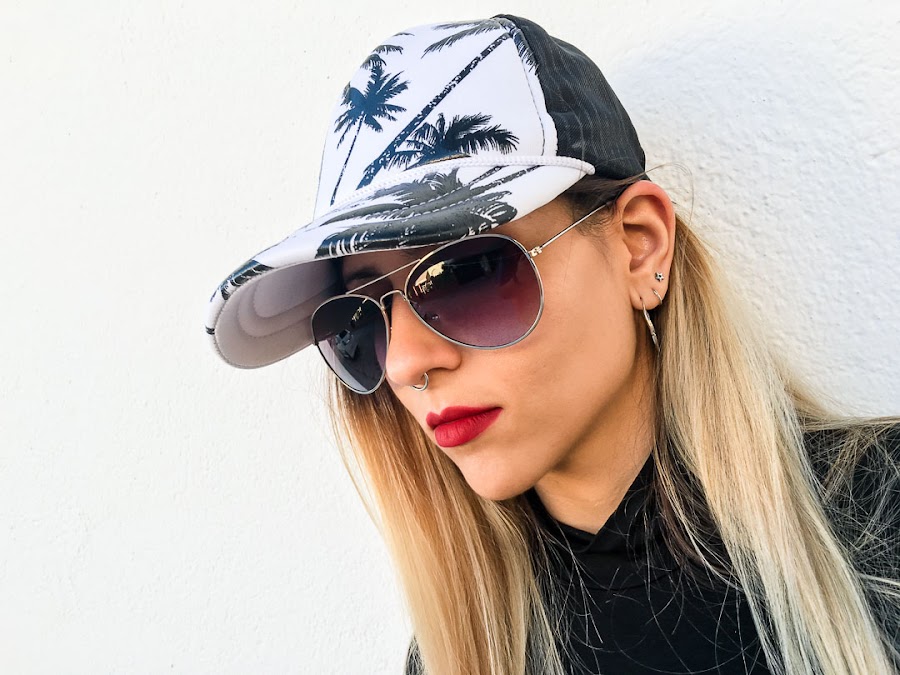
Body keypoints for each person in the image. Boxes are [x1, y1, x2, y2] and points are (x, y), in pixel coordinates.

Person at [204, 15, 900, 675]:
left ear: (639, 246)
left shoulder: (882, 517)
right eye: (358, 322)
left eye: (466, 273)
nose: (407, 363)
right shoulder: (463, 649)